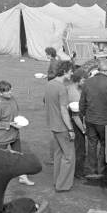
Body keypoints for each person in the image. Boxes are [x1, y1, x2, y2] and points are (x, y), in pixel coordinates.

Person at [0, 80, 34, 186]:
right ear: (0, 93)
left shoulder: (13, 99)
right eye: (7, 91)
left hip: (15, 134)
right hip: (3, 137)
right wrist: (9, 124)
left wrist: (18, 121)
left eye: (10, 89)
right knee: (0, 159)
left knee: (19, 156)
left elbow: (15, 114)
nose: (10, 92)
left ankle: (23, 177)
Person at [44, 61, 76, 191]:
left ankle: (57, 181)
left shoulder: (49, 84)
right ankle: (62, 185)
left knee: (58, 154)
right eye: (70, 71)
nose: (72, 73)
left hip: (52, 124)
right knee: (69, 156)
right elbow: (64, 110)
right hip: (62, 127)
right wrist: (70, 129)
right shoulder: (62, 88)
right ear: (64, 71)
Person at [67, 68, 88, 179]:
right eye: (84, 80)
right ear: (78, 79)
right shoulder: (74, 93)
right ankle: (78, 172)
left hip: (74, 119)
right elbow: (75, 116)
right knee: (80, 149)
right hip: (75, 123)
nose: (85, 82)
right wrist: (83, 130)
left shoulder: (72, 88)